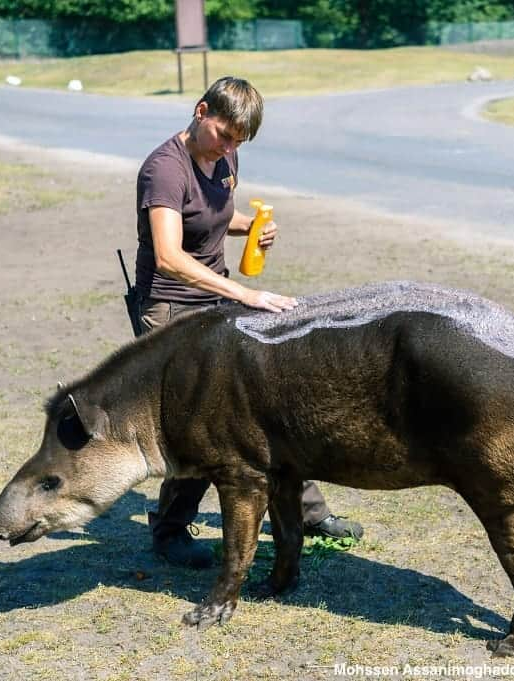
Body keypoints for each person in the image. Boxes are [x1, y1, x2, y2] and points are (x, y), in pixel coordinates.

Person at [134, 76, 363, 568]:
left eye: (239, 141)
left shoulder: (224, 156)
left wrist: (251, 226)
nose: (230, 147)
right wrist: (244, 293)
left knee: (262, 408)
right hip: (171, 309)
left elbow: (216, 215)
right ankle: (170, 531)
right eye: (224, 134)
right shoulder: (164, 170)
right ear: (200, 111)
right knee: (197, 425)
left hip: (214, 300)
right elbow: (170, 255)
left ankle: (306, 513)